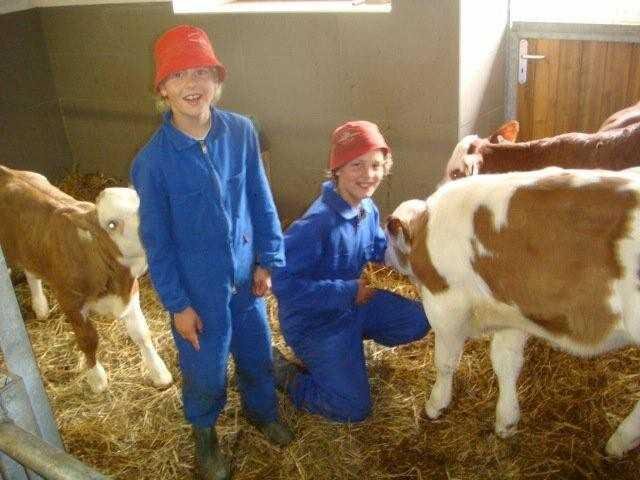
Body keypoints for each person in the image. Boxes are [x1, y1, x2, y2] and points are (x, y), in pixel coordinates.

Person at [130, 25, 292, 480]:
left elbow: (260, 198)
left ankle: (262, 413)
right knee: (205, 371)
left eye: (202, 72)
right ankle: (205, 435)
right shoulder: (152, 162)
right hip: (198, 295)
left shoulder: (241, 132)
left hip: (246, 279)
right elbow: (157, 243)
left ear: (217, 81)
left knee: (257, 353)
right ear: (162, 89)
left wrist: (267, 260)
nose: (192, 83)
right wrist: (177, 305)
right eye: (178, 74)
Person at [271, 120, 430, 423]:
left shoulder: (367, 209)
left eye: (376, 165)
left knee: (420, 318)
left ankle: (348, 350)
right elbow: (282, 283)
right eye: (357, 165)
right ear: (338, 169)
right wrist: (348, 292)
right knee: (353, 408)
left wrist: (411, 258)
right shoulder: (316, 225)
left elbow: (379, 252)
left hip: (355, 306)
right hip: (316, 323)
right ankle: (286, 375)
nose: (368, 175)